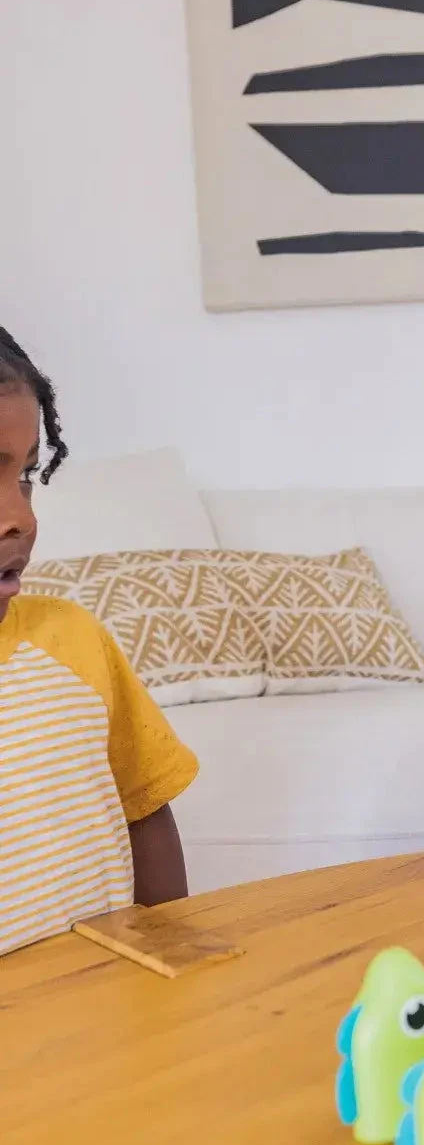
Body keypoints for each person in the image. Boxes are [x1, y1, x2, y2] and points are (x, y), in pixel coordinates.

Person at [0, 328, 197, 956]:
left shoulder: (72, 641)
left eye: (26, 476)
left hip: (113, 1004)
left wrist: (175, 963)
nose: (22, 517)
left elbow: (144, 809)